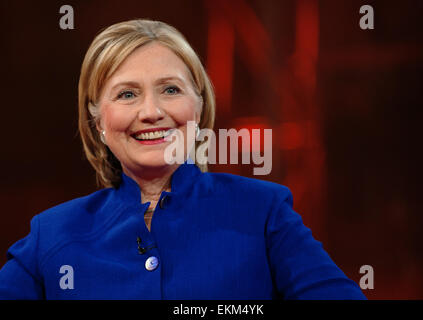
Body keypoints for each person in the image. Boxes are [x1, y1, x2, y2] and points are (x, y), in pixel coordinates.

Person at [0, 19, 366, 300]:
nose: (151, 111)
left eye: (170, 89)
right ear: (98, 123)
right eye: (127, 94)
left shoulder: (263, 211)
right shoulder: (52, 235)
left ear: (199, 105)